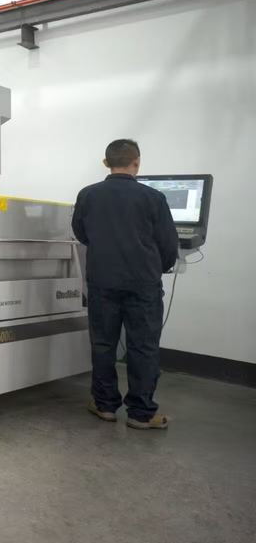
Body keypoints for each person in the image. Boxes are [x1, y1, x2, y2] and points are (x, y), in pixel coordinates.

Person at [72, 139, 179, 430]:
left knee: (103, 344)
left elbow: (81, 233)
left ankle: (104, 406)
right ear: (137, 163)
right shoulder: (153, 198)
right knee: (143, 347)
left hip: (102, 281)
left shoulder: (88, 195)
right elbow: (169, 244)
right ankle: (140, 414)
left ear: (106, 163)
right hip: (143, 285)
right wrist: (156, 268)